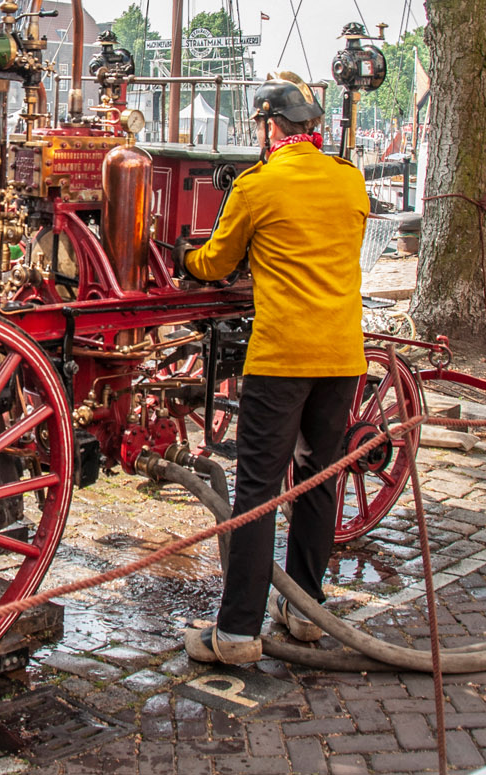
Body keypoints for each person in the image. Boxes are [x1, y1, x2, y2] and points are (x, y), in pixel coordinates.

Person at [175, 77, 370, 664]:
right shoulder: (349, 179)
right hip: (341, 356)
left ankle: (236, 632)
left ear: (267, 128)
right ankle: (306, 611)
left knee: (257, 491)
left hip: (282, 356)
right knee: (317, 481)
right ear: (309, 128)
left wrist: (181, 254)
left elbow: (217, 262)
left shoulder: (259, 186)